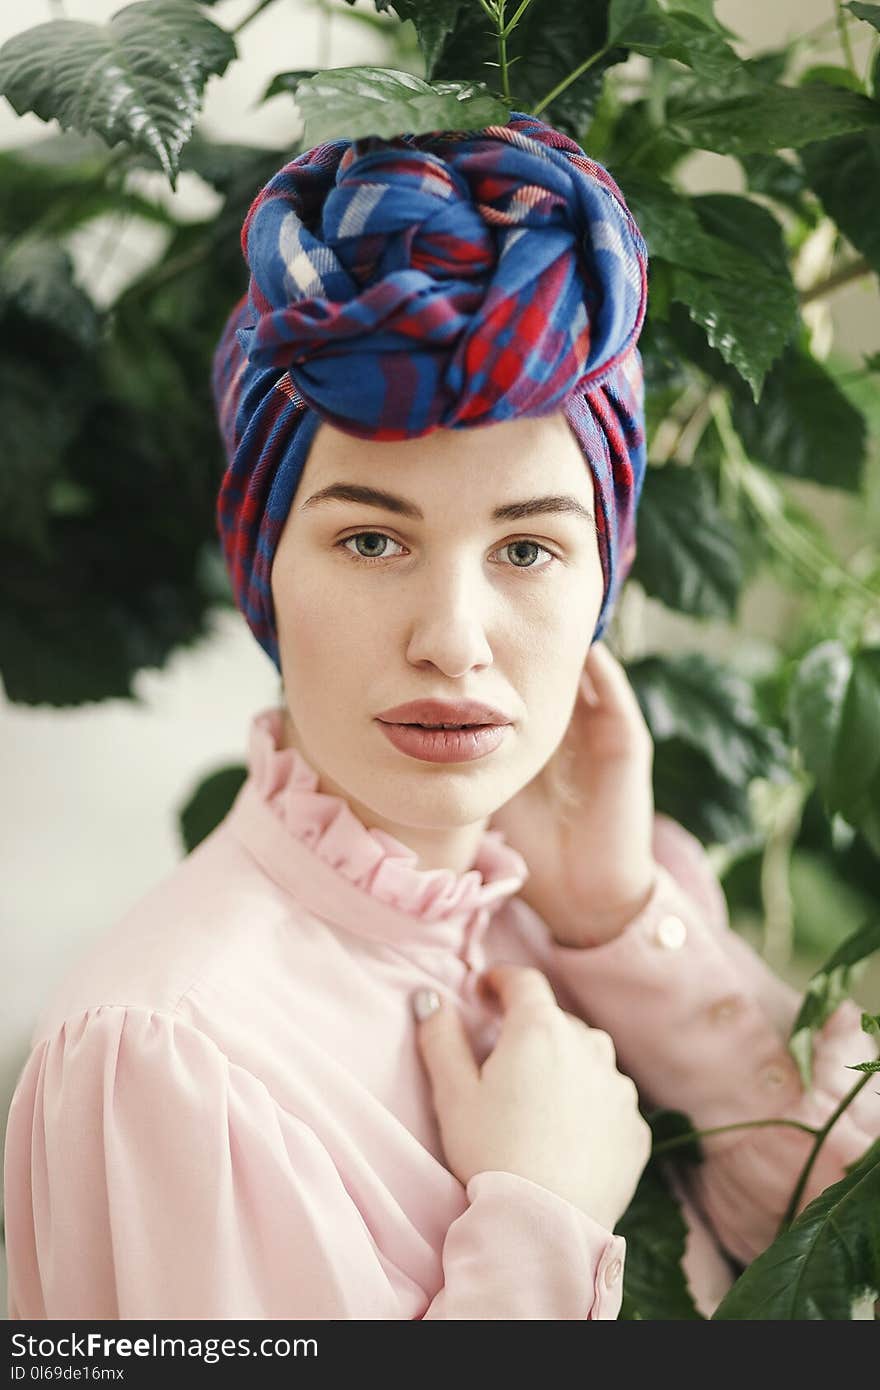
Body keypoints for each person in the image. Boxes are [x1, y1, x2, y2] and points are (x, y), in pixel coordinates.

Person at [4, 113, 878, 1321]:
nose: (454, 638)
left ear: (602, 583)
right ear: (265, 567)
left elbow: (837, 1249)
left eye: (527, 546)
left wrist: (616, 925)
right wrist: (540, 1217)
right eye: (371, 538)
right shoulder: (167, 1056)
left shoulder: (575, 910)